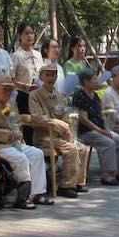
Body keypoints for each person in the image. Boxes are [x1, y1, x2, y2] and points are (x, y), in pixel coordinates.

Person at [0, 75, 51, 209]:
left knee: (37, 153)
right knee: (20, 158)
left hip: (14, 143)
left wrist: (17, 132)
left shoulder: (11, 103)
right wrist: (3, 134)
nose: (8, 92)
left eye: (10, 90)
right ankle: (22, 197)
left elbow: (15, 122)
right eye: (4, 89)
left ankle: (37, 193)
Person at [29, 63, 88, 198]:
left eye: (53, 74)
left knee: (82, 148)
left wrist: (69, 125)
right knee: (71, 149)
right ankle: (66, 186)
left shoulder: (59, 95)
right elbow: (38, 118)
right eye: (47, 74)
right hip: (45, 137)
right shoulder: (35, 95)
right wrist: (62, 126)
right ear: (41, 77)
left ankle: (77, 183)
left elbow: (65, 113)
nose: (51, 77)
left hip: (61, 136)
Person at [72, 68, 119, 186]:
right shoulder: (79, 95)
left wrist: (106, 129)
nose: (97, 81)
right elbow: (84, 119)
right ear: (86, 81)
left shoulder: (94, 95)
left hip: (99, 129)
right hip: (86, 131)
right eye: (95, 79)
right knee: (109, 143)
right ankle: (107, 175)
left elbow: (101, 115)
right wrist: (101, 131)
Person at [10, 22, 43, 116]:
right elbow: (10, 79)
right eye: (26, 33)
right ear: (20, 36)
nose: (30, 36)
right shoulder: (16, 56)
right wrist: (25, 85)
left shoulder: (38, 55)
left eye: (32, 33)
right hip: (22, 96)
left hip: (38, 96)